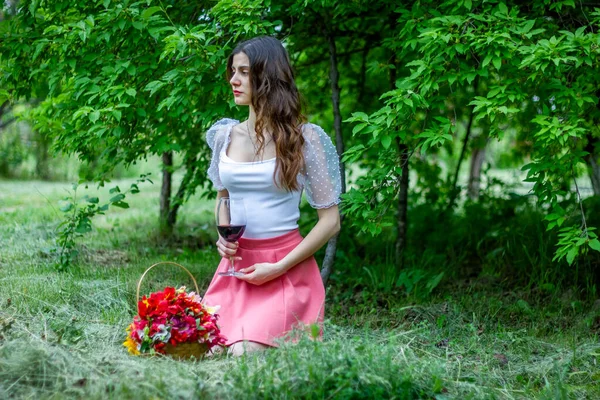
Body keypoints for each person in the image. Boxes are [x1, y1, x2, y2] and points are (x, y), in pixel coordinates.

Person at [201, 36, 342, 356]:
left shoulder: (304, 139)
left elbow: (331, 221)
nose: (233, 80)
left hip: (286, 269)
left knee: (243, 353)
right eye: (232, 71)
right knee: (206, 347)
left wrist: (278, 268)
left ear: (268, 77)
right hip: (235, 268)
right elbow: (224, 198)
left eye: (243, 72)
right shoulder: (224, 135)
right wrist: (224, 236)